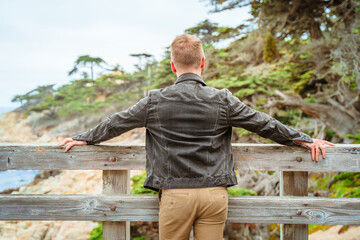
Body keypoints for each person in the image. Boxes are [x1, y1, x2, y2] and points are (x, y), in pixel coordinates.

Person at [58, 34, 334, 240]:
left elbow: (116, 122)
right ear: (203, 62)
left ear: (173, 66)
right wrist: (304, 139)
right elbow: (263, 123)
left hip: (175, 195)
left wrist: (85, 137)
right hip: (214, 194)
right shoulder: (223, 100)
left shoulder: (155, 100)